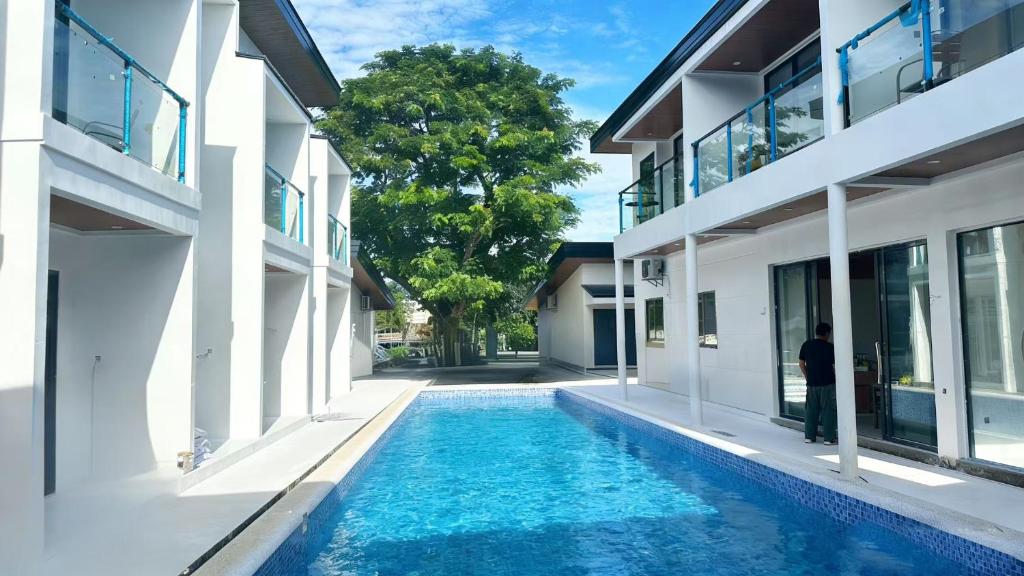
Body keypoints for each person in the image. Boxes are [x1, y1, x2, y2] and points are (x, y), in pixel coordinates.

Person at [799, 322, 836, 445]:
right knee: (828, 410)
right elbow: (835, 366)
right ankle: (828, 438)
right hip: (828, 383)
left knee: (810, 410)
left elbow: (801, 363)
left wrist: (807, 377)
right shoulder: (830, 347)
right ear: (826, 334)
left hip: (812, 383)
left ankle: (809, 437)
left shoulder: (806, 345)